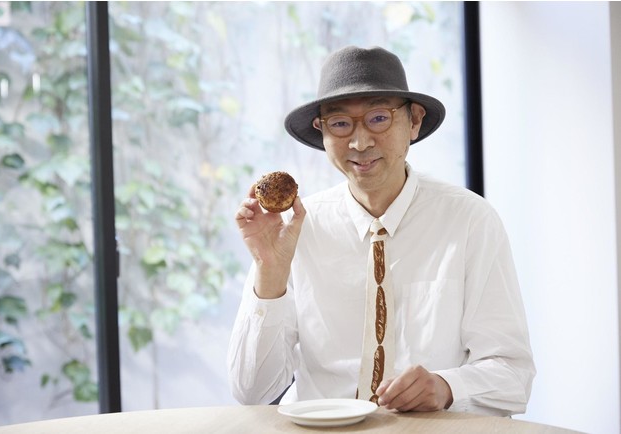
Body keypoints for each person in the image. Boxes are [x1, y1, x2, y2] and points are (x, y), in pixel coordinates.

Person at [228, 45, 535, 416]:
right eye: (340, 123)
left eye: (378, 118)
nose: (360, 142)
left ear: (414, 121)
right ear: (322, 131)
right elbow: (251, 391)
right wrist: (269, 270)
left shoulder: (469, 220)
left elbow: (513, 376)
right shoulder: (296, 231)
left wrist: (447, 387)